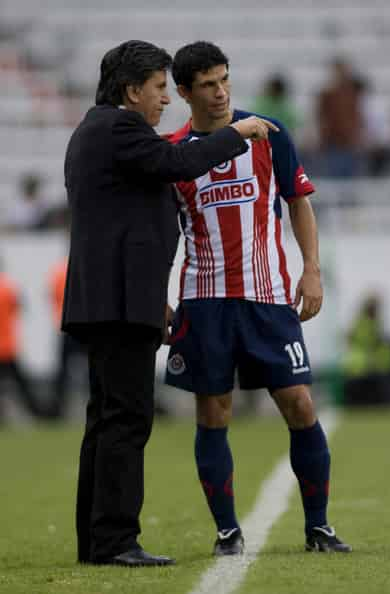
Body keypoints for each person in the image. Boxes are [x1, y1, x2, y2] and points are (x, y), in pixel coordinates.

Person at [62, 39, 276, 568]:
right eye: (160, 89)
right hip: (118, 300)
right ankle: (114, 539)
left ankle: (97, 539)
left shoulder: (98, 131)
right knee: (127, 419)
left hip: (111, 297)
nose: (165, 101)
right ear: (132, 91)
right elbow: (177, 161)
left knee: (106, 418)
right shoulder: (119, 127)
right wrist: (234, 133)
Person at [166, 41, 351, 555]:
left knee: (299, 403)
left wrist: (311, 269)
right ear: (185, 92)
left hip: (268, 297)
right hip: (205, 300)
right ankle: (227, 532)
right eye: (207, 84)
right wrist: (160, 297)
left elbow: (299, 202)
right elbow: (163, 233)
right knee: (214, 412)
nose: (221, 91)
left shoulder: (268, 134)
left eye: (225, 79)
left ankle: (319, 526)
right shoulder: (175, 153)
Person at [47, 258, 87, 419]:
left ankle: (58, 408)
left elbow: (52, 297)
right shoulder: (86, 269)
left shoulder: (59, 272)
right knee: (96, 366)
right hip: (85, 325)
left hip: (66, 325)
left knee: (63, 372)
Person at [0, 265, 40, 420]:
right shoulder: (8, 287)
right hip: (7, 346)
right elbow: (22, 307)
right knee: (22, 386)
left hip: (5, 346)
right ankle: (37, 413)